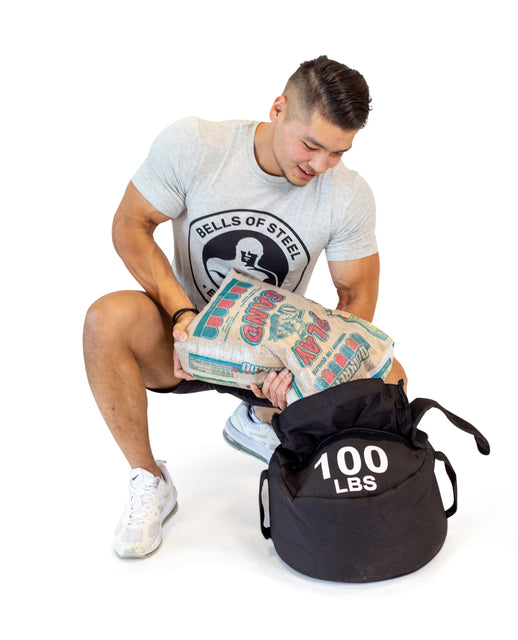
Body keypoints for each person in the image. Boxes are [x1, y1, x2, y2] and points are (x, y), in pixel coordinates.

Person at [83, 55, 406, 558]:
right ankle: (150, 480)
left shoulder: (348, 195)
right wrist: (179, 313)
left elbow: (355, 301)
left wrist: (306, 374)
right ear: (278, 108)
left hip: (270, 355)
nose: (319, 165)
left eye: (337, 153)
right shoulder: (196, 144)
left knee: (392, 379)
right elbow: (129, 226)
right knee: (106, 321)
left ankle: (258, 417)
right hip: (183, 340)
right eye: (311, 144)